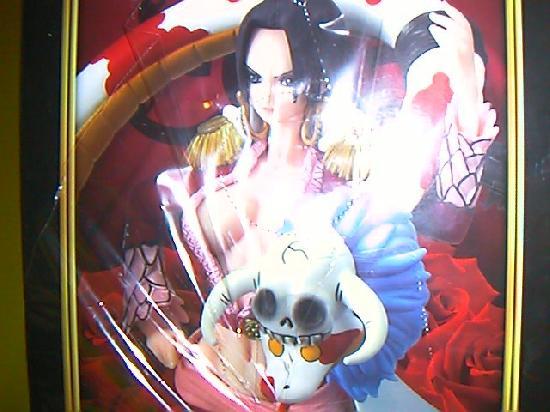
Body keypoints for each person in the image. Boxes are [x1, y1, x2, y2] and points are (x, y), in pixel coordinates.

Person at [120, 0, 498, 408]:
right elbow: (140, 221)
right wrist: (152, 313)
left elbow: (442, 223)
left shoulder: (344, 185)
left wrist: (467, 90)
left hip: (307, 384)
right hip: (212, 373)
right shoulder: (210, 173)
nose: (268, 95)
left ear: (315, 80)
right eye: (255, 77)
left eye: (287, 79)